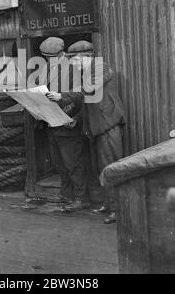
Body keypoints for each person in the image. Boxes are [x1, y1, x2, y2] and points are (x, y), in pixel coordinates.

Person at [68, 41, 126, 224]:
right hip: (97, 127)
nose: (73, 64)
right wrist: (76, 119)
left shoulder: (101, 68)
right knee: (101, 168)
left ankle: (118, 210)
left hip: (107, 126)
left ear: (86, 57)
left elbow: (88, 90)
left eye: (75, 60)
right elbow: (88, 104)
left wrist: (62, 97)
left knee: (111, 168)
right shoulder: (88, 72)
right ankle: (108, 204)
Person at [38, 37, 90, 212]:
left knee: (73, 162)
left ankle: (81, 198)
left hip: (69, 121)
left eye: (50, 57)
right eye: (45, 57)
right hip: (51, 122)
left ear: (61, 54)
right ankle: (66, 195)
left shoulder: (74, 68)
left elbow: (83, 95)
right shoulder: (46, 68)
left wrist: (76, 118)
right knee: (59, 162)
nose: (48, 60)